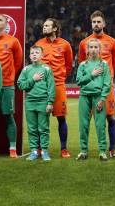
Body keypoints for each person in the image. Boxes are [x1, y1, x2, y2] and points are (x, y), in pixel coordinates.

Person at [78, 11, 115, 157]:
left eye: (98, 22)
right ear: (91, 24)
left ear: (104, 24)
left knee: (111, 117)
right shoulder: (84, 43)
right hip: (89, 88)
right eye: (94, 22)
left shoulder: (112, 42)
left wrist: (107, 78)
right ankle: (84, 149)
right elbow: (82, 63)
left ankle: (112, 149)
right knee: (86, 119)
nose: (96, 24)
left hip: (106, 86)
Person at [33, 18, 73, 158]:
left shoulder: (65, 45)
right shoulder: (38, 44)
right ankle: (38, 148)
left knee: (61, 118)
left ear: (55, 28)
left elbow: (68, 65)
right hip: (41, 87)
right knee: (40, 119)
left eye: (47, 25)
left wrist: (59, 77)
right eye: (43, 25)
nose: (44, 27)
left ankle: (63, 149)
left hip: (58, 86)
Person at [0, 14, 23, 158]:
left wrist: (8, 75)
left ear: (6, 23)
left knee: (8, 116)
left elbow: (18, 62)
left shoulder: (13, 41)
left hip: (7, 85)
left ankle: (13, 148)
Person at [17, 46, 55, 161]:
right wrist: (33, 79)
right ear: (29, 56)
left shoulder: (46, 69)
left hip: (43, 102)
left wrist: (50, 102)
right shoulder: (26, 70)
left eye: (37, 53)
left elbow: (51, 87)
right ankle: (34, 151)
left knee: (43, 128)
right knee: (32, 128)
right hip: (30, 102)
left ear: (42, 55)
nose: (34, 54)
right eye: (32, 53)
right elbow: (20, 85)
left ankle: (44, 151)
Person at [76, 38, 111, 161]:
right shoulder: (82, 65)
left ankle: (102, 151)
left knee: (101, 125)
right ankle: (83, 151)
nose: (93, 49)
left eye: (96, 47)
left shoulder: (104, 64)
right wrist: (92, 74)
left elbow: (107, 83)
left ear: (100, 49)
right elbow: (79, 81)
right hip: (84, 96)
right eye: (91, 47)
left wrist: (102, 99)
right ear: (87, 50)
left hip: (98, 97)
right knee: (83, 125)